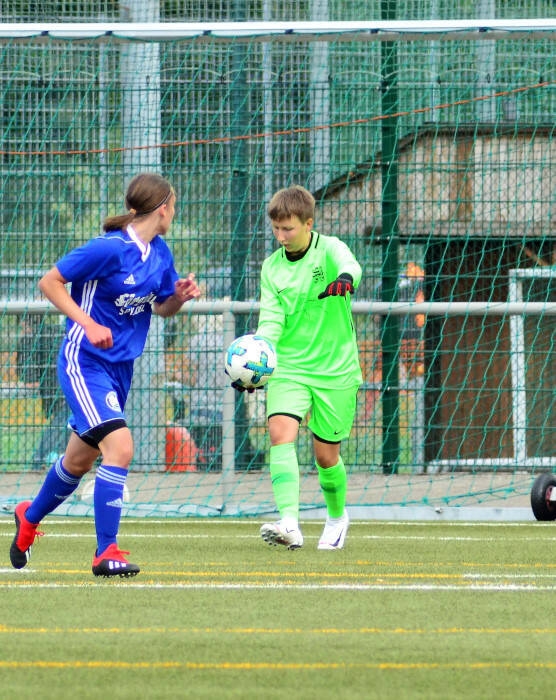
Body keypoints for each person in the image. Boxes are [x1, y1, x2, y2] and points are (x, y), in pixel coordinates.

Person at [9, 172, 201, 577]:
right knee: (121, 448)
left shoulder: (160, 253)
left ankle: (29, 516)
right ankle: (106, 551)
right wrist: (88, 324)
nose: (174, 212)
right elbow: (50, 282)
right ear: (162, 208)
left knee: (78, 461)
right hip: (85, 362)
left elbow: (161, 307)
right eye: (173, 205)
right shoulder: (109, 248)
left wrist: (179, 298)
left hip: (119, 369)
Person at [233, 185, 362, 550]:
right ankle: (289, 522)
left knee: (326, 457)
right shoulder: (271, 268)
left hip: (336, 367)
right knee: (280, 433)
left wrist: (345, 280)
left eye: (288, 228)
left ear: (308, 223)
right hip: (290, 366)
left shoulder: (330, 249)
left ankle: (336, 517)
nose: (281, 236)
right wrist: (256, 362)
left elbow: (351, 266)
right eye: (276, 228)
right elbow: (271, 321)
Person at [16, 313, 68, 469]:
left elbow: (28, 377)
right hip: (68, 383)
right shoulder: (57, 332)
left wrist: (29, 379)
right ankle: (48, 459)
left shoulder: (30, 339)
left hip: (54, 389)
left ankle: (40, 459)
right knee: (65, 424)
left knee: (60, 425)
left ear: (24, 323)